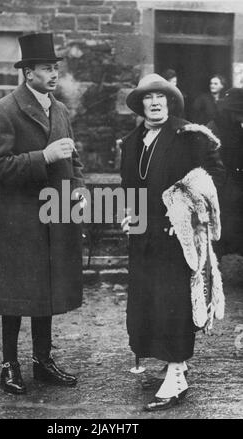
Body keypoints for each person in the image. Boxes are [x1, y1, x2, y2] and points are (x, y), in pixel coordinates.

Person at [0, 33, 85, 395]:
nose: (54, 74)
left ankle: (42, 361)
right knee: (14, 295)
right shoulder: (4, 110)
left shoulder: (58, 110)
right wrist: (43, 157)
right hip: (19, 220)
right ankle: (9, 364)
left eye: (55, 68)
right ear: (28, 73)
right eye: (46, 68)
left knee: (47, 290)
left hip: (54, 217)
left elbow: (73, 159)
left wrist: (79, 191)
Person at [120, 73, 225, 411]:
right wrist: (128, 213)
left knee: (175, 301)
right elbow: (130, 187)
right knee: (148, 300)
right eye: (148, 98)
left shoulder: (189, 137)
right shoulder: (133, 141)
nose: (155, 102)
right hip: (144, 236)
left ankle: (177, 373)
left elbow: (213, 178)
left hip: (178, 238)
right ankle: (169, 361)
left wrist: (186, 212)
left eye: (161, 97)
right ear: (141, 105)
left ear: (170, 101)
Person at [208, 88, 243, 256]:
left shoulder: (236, 127)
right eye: (238, 113)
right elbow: (213, 163)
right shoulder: (214, 129)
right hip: (223, 186)